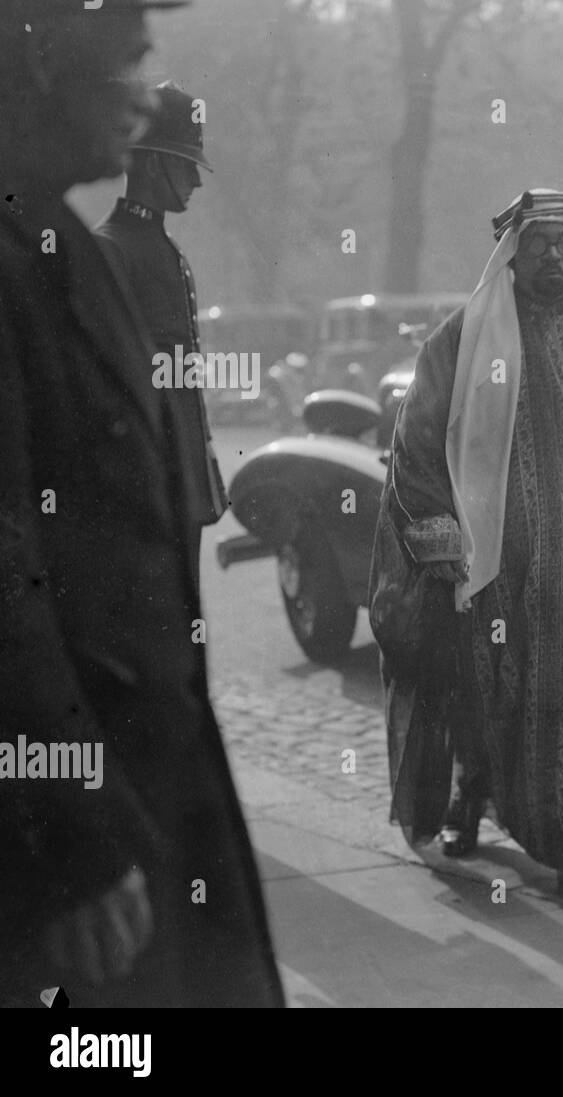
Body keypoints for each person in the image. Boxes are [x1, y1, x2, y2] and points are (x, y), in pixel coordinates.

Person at [0, 0, 283, 1007]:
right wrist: (70, 838)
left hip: (140, 781)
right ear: (38, 67)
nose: (151, 89)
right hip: (82, 830)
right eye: (129, 57)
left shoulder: (47, 236)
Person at [369, 189, 563, 904]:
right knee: (491, 702)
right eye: (537, 245)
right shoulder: (462, 338)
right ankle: (469, 799)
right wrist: (440, 534)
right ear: (509, 257)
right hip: (497, 566)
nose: (553, 258)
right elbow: (415, 443)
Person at [95, 81, 228, 587]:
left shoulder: (161, 248)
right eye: (184, 162)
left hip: (179, 483)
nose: (195, 179)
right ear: (151, 164)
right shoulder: (110, 251)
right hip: (143, 489)